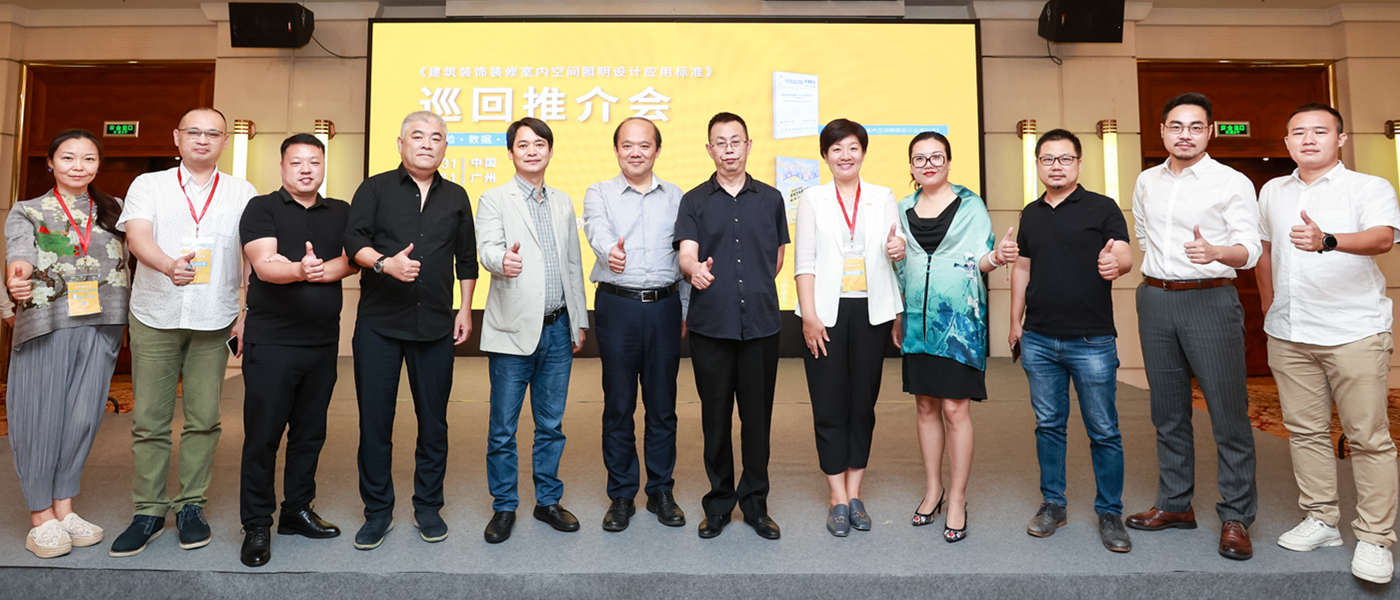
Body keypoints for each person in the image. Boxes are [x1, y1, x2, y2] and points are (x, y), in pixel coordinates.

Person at [1256, 103, 1400, 584]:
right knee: (1305, 431)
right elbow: (1265, 250)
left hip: (1353, 331)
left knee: (1368, 437)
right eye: (1298, 132)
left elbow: (1382, 239)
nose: (1308, 139)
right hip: (1290, 332)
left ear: (1340, 139)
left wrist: (1328, 240)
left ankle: (1375, 538)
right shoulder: (1273, 191)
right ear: (1287, 142)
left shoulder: (1369, 186)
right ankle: (1321, 519)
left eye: (1320, 131)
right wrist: (1269, 306)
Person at [110, 108, 258, 558]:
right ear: (177, 137)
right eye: (194, 132)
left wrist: (247, 310)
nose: (203, 139)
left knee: (204, 418)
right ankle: (149, 510)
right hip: (155, 312)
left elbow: (251, 255)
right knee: (149, 420)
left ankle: (191, 505)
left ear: (224, 141)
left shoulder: (242, 191)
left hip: (214, 317)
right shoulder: (149, 184)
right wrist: (167, 265)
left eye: (213, 133)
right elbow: (137, 237)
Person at [1126, 92, 1262, 561]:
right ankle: (1175, 504)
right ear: (1163, 131)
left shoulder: (1232, 182)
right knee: (1167, 411)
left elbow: (1250, 249)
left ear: (1210, 131)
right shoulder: (1147, 180)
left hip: (1210, 299)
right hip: (1155, 299)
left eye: (1195, 127)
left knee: (1228, 413)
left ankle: (1236, 516)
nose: (1185, 135)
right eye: (1176, 126)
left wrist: (1217, 253)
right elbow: (1142, 233)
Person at [344, 110, 477, 550]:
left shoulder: (456, 196)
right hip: (379, 325)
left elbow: (466, 258)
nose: (427, 144)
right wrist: (385, 264)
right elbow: (354, 241)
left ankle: (428, 508)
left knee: (433, 423)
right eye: (418, 136)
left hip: (436, 326)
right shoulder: (375, 188)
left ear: (445, 147)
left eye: (436, 138)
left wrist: (465, 309)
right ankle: (377, 512)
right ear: (400, 143)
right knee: (376, 423)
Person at [5, 129, 130, 558]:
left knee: (82, 418)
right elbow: (19, 255)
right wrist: (17, 279)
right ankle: (41, 516)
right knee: (39, 417)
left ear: (98, 164)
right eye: (68, 157)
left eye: (88, 158)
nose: (79, 166)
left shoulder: (116, 209)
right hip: (48, 322)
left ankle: (64, 506)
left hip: (104, 321)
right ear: (50, 162)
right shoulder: (28, 210)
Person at [1009, 129, 1134, 553]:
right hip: (1039, 338)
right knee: (1049, 426)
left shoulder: (1102, 207)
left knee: (1104, 429)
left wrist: (1116, 264)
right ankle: (1053, 504)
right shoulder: (1030, 213)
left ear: (1079, 164)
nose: (1056, 166)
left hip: (1091, 340)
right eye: (1047, 159)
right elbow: (1022, 268)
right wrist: (1014, 322)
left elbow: (1123, 253)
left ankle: (1110, 512)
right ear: (1038, 165)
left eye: (1065, 158)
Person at [236, 134, 357, 567]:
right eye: (297, 162)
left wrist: (319, 271)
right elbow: (265, 266)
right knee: (263, 436)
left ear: (324, 166)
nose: (306, 169)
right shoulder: (262, 208)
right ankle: (256, 524)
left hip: (322, 342)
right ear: (282, 166)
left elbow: (354, 259)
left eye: (314, 162)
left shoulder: (341, 210)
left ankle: (297, 510)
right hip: (272, 342)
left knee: (310, 434)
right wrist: (299, 270)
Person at [676, 112, 788, 541]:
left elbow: (777, 259)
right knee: (716, 419)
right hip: (711, 327)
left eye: (735, 141)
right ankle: (719, 504)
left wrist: (751, 285)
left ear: (748, 145)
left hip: (760, 325)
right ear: (709, 149)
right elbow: (687, 253)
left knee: (757, 421)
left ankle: (756, 506)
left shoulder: (771, 198)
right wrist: (694, 270)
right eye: (719, 142)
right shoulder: (694, 200)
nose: (728, 149)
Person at [476, 117, 589, 544]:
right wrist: (501, 261)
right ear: (510, 153)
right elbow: (487, 248)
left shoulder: (562, 201)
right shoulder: (494, 198)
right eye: (522, 145)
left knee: (551, 425)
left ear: (550, 151)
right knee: (503, 428)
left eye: (539, 144)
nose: (531, 151)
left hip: (558, 328)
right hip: (512, 331)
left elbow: (572, 263)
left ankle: (548, 502)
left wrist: (579, 318)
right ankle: (504, 506)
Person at [895, 131, 1011, 543]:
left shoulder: (970, 205)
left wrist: (997, 258)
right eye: (920, 158)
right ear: (911, 166)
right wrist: (899, 313)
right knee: (926, 406)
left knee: (955, 409)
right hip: (917, 323)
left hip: (958, 324)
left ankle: (958, 497)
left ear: (948, 161)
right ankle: (934, 490)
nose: (928, 164)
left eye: (936, 157)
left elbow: (981, 257)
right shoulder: (902, 207)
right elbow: (899, 265)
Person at [793, 118, 904, 537]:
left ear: (863, 153)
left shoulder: (882, 196)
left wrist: (898, 248)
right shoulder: (812, 198)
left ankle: (855, 493)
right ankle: (836, 497)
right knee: (829, 404)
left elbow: (896, 247)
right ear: (825, 155)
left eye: (853, 147)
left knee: (862, 405)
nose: (845, 155)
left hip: (871, 312)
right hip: (825, 313)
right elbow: (804, 261)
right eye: (837, 148)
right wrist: (808, 315)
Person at [582, 117, 688, 533]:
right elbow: (596, 228)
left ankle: (661, 490)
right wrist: (610, 250)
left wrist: (683, 310)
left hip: (664, 308)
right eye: (627, 145)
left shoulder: (677, 197)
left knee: (662, 406)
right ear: (616, 150)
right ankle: (622, 494)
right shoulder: (599, 192)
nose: (635, 152)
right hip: (618, 307)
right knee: (619, 404)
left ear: (657, 150)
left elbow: (687, 254)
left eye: (644, 145)